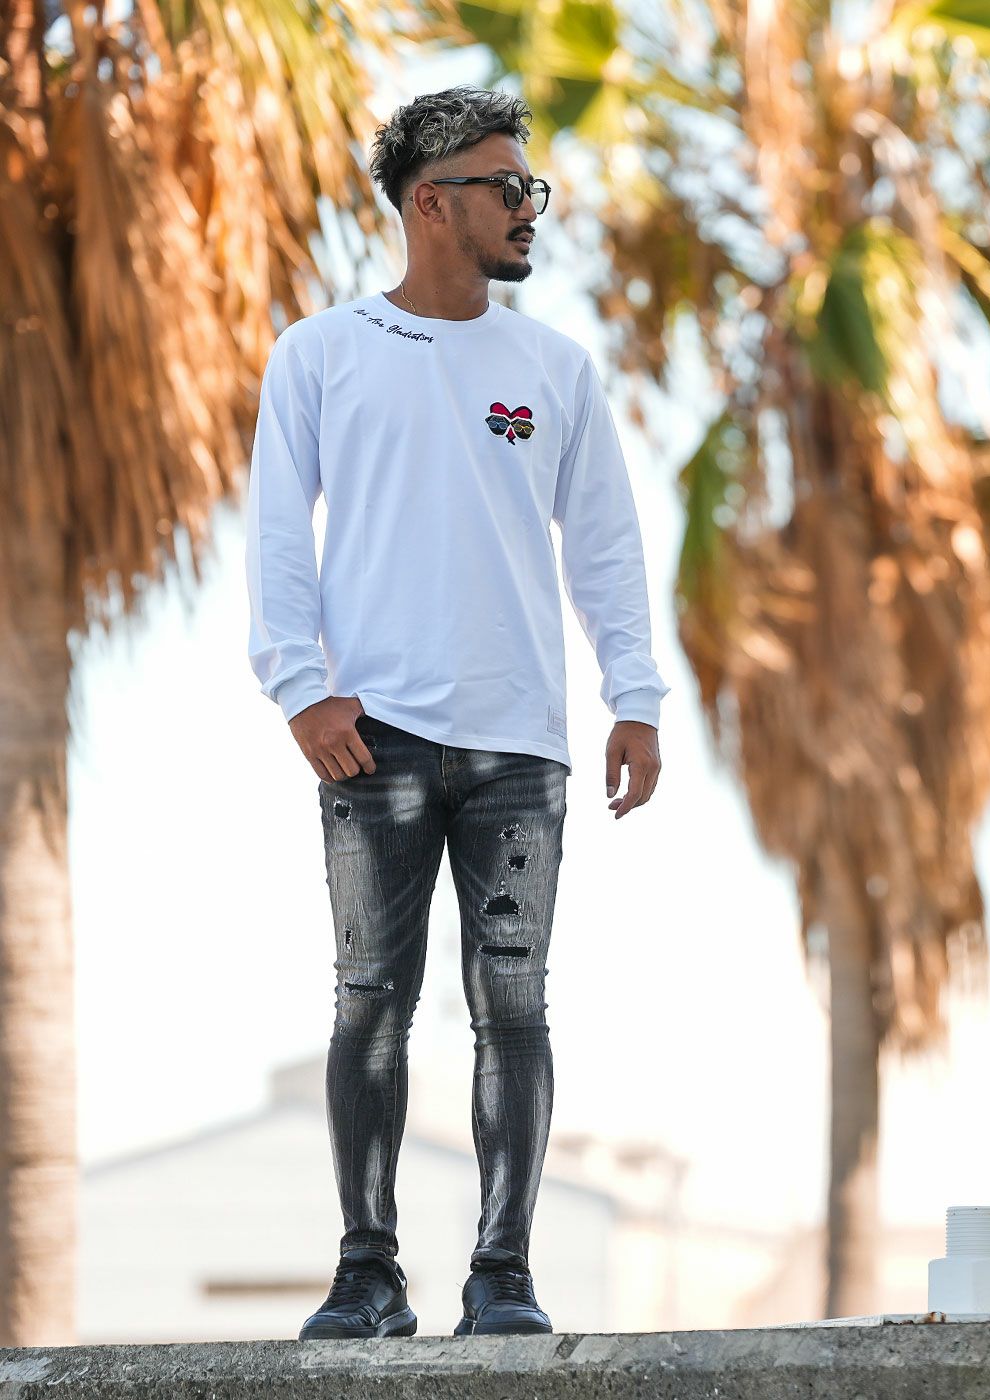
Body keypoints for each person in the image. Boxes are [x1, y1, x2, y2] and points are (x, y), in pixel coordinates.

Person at [244, 83, 670, 1340]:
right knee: (369, 997)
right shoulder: (322, 352)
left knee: (514, 1001)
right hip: (368, 737)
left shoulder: (554, 367)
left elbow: (605, 548)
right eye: (507, 186)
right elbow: (277, 535)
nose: (530, 208)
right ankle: (367, 1275)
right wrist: (299, 686)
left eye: (532, 185)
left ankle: (502, 1276)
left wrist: (634, 697)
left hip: (520, 744)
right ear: (432, 203)